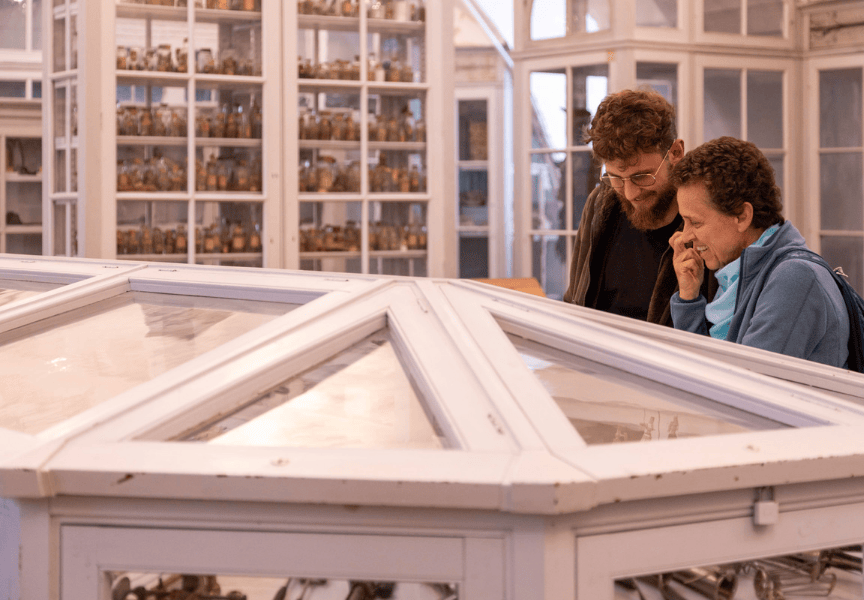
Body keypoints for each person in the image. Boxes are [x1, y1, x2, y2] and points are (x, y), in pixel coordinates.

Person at [669, 136, 850, 368]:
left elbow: (740, 385)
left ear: (742, 216)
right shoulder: (741, 274)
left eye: (695, 222)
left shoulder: (794, 280)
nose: (685, 236)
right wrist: (688, 297)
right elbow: (701, 373)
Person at [564, 89, 715, 325]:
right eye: (616, 178)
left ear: (676, 153)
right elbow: (575, 299)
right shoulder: (599, 204)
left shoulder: (707, 215)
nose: (630, 194)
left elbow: (718, 327)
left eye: (642, 176)